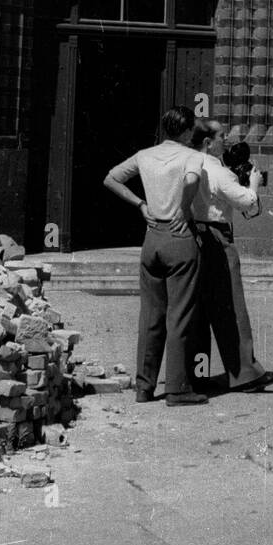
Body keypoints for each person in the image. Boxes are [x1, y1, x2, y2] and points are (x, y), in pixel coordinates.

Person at [103, 106, 207, 407]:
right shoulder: (192, 156)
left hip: (152, 239)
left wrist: (140, 205)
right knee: (180, 314)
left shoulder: (145, 155)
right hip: (179, 236)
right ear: (187, 131)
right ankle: (177, 389)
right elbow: (189, 182)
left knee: (150, 315)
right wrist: (184, 210)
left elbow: (111, 178)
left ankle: (144, 387)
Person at [189, 119, 269, 393]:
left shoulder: (189, 163)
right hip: (219, 238)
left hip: (193, 236)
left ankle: (196, 374)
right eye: (222, 136)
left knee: (199, 308)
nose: (228, 139)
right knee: (232, 307)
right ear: (209, 142)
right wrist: (254, 184)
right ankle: (244, 372)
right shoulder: (219, 172)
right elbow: (247, 202)